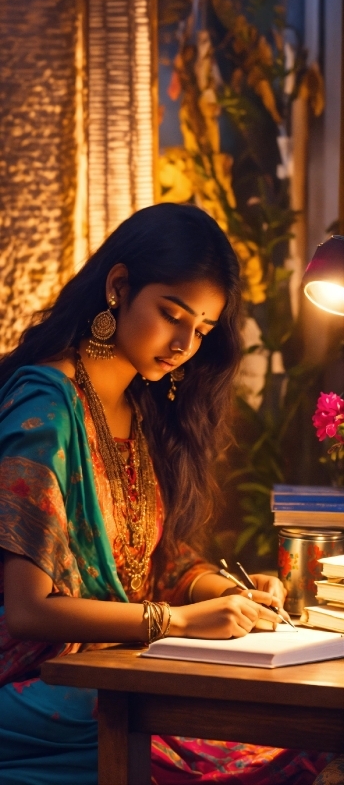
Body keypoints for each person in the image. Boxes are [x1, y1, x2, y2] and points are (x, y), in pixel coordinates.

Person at [0, 203, 335, 784]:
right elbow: (29, 611)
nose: (184, 342)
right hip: (36, 684)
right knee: (241, 747)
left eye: (202, 330)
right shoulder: (47, 409)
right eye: (171, 314)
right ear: (119, 287)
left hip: (112, 670)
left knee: (287, 732)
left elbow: (157, 560)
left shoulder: (142, 408)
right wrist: (179, 622)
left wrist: (223, 591)